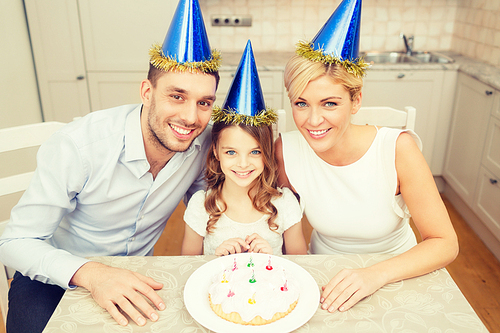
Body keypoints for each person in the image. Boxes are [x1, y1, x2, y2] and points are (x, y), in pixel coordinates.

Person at [0, 0, 220, 332]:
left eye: (204, 103)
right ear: (147, 91)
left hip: (136, 272)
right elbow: (15, 243)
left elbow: (208, 202)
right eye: (177, 96)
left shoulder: (203, 143)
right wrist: (92, 273)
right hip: (55, 274)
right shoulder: (78, 147)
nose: (191, 118)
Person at [275, 0, 458, 314]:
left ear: (355, 100)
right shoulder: (286, 150)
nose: (312, 120)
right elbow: (268, 216)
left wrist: (376, 275)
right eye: (301, 104)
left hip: (397, 273)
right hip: (324, 275)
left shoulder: (398, 150)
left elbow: (445, 242)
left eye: (329, 104)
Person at [181, 41, 307, 256]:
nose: (242, 163)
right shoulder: (201, 206)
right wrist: (214, 259)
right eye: (231, 152)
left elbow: (301, 263)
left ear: (267, 153)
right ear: (216, 152)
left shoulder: (284, 203)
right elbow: (185, 266)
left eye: (255, 152)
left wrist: (272, 258)